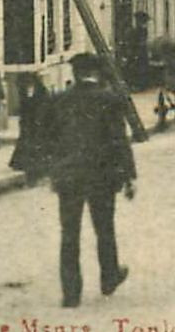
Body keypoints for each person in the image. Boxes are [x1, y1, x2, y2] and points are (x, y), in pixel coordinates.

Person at [45, 52, 135, 307]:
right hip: (101, 176)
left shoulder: (60, 101)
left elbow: (48, 139)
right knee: (104, 229)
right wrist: (129, 176)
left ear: (75, 74)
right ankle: (109, 276)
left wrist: (54, 169)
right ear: (96, 73)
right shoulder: (109, 100)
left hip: (69, 176)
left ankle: (71, 294)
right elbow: (119, 140)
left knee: (69, 233)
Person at [9, 75, 51, 177]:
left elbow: (44, 104)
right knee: (25, 139)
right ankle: (21, 162)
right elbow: (23, 106)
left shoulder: (41, 91)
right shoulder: (24, 91)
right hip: (27, 119)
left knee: (35, 140)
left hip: (36, 119)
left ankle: (35, 162)